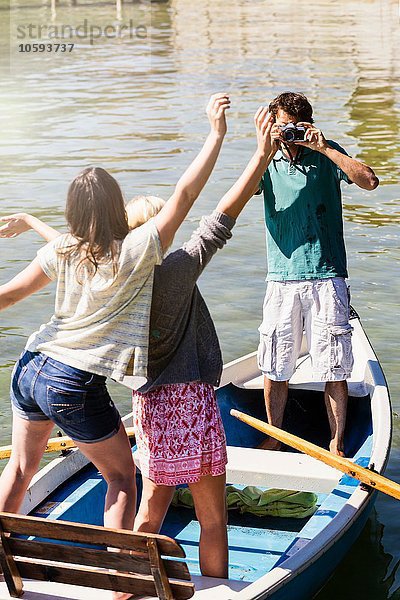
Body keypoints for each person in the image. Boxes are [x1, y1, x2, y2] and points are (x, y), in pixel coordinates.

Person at [1, 106, 276, 581]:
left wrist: (30, 221)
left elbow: (16, 286)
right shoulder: (154, 261)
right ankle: (122, 583)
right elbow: (196, 199)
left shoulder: (72, 253)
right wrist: (230, 140)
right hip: (129, 391)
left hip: (40, 369)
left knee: (24, 471)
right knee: (136, 486)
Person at [256, 91, 379, 456]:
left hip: (327, 276)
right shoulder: (268, 159)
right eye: (282, 126)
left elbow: (369, 181)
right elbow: (242, 193)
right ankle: (275, 436)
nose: (289, 134)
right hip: (281, 278)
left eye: (295, 127)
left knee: (334, 365)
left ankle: (337, 443)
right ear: (273, 124)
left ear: (307, 124)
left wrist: (325, 148)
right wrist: (264, 148)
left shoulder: (327, 152)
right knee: (275, 364)